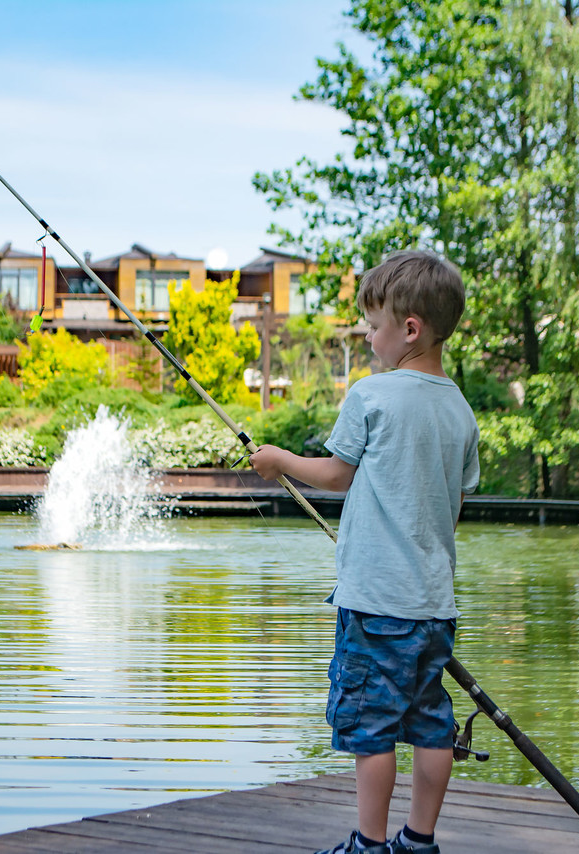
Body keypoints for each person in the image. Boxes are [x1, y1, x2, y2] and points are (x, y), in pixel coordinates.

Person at [250, 250, 479, 854]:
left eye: (374, 328)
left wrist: (278, 463)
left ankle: (369, 845)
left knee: (371, 732)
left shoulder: (371, 396)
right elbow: (450, 507)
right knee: (431, 725)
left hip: (376, 602)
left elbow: (335, 475)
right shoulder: (461, 410)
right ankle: (418, 841)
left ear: (409, 329)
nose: (368, 339)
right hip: (434, 606)